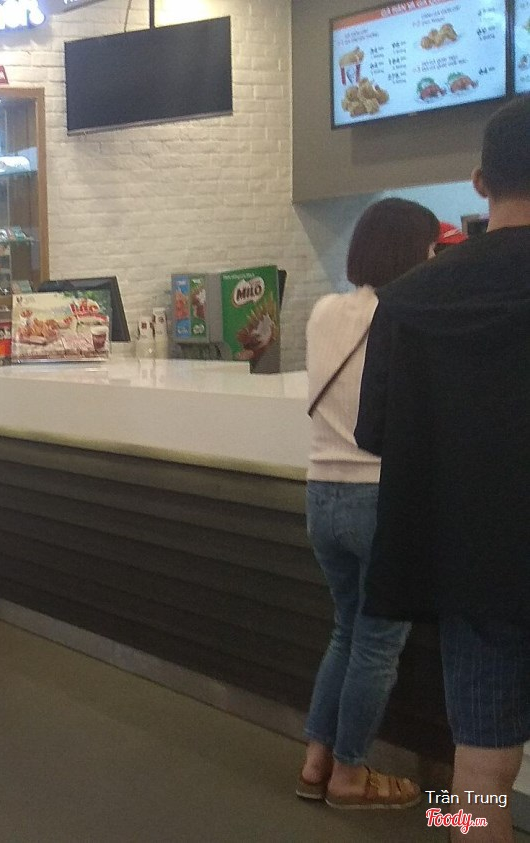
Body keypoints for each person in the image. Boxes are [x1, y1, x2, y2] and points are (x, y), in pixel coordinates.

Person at [356, 96, 530, 841]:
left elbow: (376, 434)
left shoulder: (407, 298)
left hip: (472, 570)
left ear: (480, 183)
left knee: (478, 772)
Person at [295, 198, 439, 809]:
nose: (434, 259)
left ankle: (316, 762)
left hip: (321, 494)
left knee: (346, 630)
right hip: (380, 496)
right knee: (378, 643)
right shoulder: (411, 318)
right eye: (430, 248)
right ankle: (351, 777)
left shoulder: (323, 311)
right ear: (413, 253)